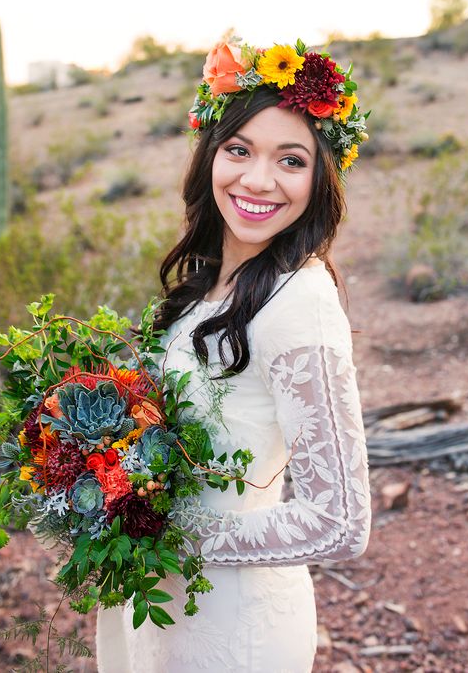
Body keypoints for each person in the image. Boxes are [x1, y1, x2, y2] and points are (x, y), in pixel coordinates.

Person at [96, 40, 372, 672]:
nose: (257, 180)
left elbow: (338, 521)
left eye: (291, 160)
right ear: (209, 154)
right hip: (160, 602)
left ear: (320, 178)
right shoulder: (207, 282)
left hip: (232, 623)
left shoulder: (300, 297)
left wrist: (167, 535)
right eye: (239, 149)